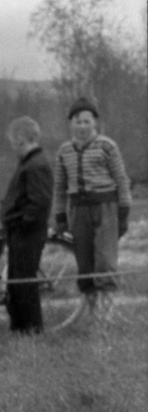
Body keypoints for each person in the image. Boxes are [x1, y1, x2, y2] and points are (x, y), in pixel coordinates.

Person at [52, 97, 131, 319]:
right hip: (79, 211)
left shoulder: (107, 146)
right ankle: (90, 310)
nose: (82, 127)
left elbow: (122, 181)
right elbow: (60, 187)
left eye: (87, 122)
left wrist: (123, 213)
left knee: (105, 261)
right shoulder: (64, 151)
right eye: (78, 122)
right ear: (71, 124)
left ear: (95, 122)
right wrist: (60, 216)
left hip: (106, 209)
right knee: (84, 262)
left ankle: (106, 313)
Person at [0, 117, 54, 333]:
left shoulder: (36, 166)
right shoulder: (29, 163)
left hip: (27, 233)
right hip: (20, 232)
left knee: (25, 283)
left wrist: (22, 223)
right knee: (16, 283)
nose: (13, 147)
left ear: (21, 140)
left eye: (13, 142)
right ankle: (19, 329)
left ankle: (32, 330)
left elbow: (39, 203)